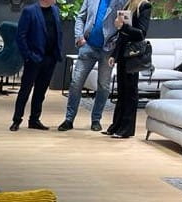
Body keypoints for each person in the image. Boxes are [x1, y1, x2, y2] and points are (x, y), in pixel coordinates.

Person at [58, 0, 126, 132]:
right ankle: (69, 119)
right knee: (76, 82)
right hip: (88, 46)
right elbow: (80, 17)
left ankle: (96, 119)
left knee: (103, 86)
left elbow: (125, 25)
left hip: (108, 49)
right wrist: (79, 37)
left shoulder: (121, 1)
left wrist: (116, 44)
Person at [10, 0, 63, 131]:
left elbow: (58, 32)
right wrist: (28, 56)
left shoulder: (55, 10)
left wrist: (57, 53)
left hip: (50, 58)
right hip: (34, 58)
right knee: (25, 90)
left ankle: (34, 119)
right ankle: (17, 120)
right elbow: (20, 36)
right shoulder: (29, 11)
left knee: (41, 92)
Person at [104, 0, 152, 138]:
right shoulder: (128, 5)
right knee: (122, 91)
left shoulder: (144, 6)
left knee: (130, 91)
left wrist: (123, 26)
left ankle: (126, 129)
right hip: (123, 54)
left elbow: (141, 34)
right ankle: (116, 126)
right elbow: (122, 36)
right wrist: (114, 55)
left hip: (133, 55)